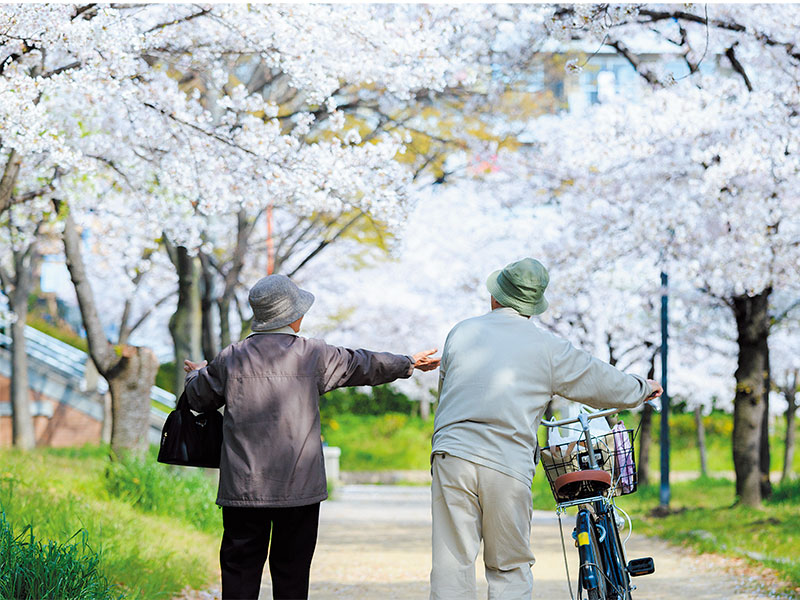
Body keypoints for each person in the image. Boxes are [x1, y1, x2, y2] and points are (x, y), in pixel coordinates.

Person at [183, 274, 439, 600]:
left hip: (244, 490)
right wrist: (408, 364)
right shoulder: (313, 354)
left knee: (239, 575)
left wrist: (198, 373)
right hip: (299, 489)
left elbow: (197, 398)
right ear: (293, 316)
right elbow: (363, 364)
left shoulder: (231, 357)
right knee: (292, 577)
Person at [430, 258, 662, 600]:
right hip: (506, 463)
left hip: (453, 455)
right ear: (532, 306)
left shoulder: (461, 332)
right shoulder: (547, 347)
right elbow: (598, 379)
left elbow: (446, 392)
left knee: (452, 564)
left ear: (496, 296)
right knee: (508, 566)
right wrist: (642, 387)